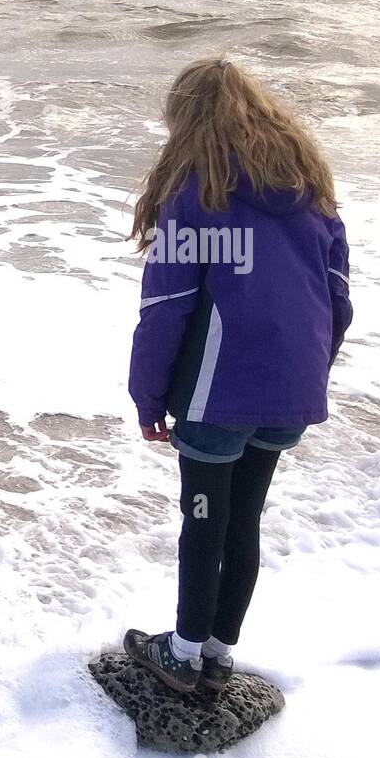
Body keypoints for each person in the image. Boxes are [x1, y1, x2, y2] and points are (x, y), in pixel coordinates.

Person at [126, 57, 353, 692]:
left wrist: (147, 396)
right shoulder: (311, 194)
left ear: (186, 120)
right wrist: (305, 374)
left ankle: (183, 652)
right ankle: (219, 652)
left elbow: (165, 309)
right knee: (244, 517)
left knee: (203, 518)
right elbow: (339, 302)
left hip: (217, 393)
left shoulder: (197, 194)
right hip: (289, 392)